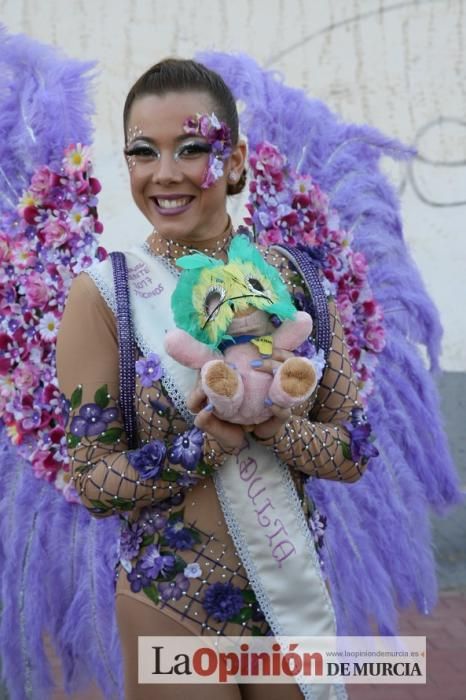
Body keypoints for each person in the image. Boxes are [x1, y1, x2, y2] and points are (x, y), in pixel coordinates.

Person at [56, 58, 368, 700]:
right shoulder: (105, 296)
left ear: (234, 160)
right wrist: (208, 445)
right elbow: (91, 483)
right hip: (171, 605)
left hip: (290, 600)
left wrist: (281, 431)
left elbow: (354, 448)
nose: (164, 174)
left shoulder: (298, 280)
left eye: (191, 148)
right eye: (143, 152)